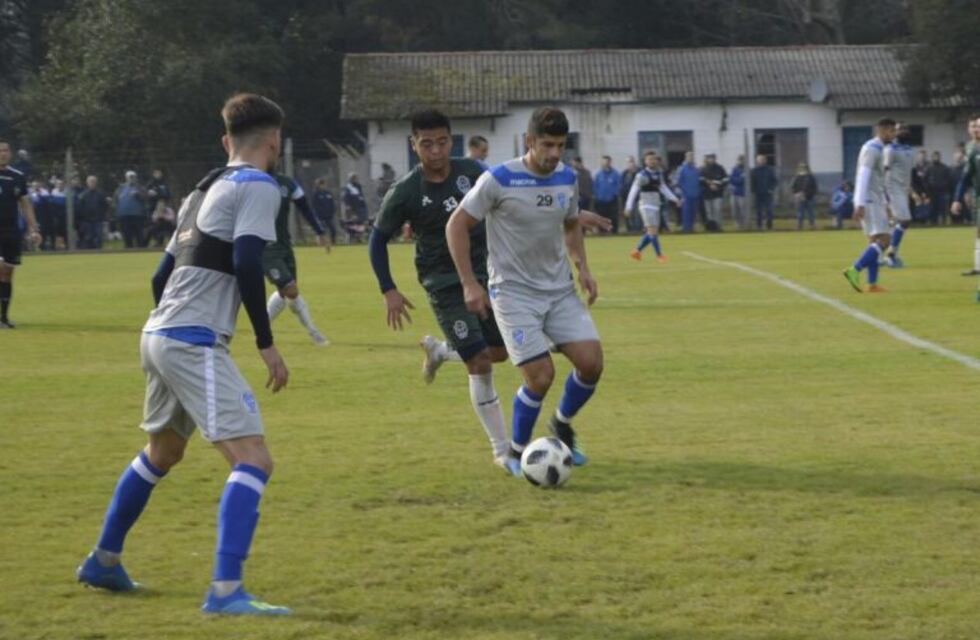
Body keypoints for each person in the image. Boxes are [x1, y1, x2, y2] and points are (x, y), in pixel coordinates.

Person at [75, 93, 292, 615]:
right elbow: (245, 261)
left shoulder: (204, 189)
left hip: (158, 333)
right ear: (274, 142)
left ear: (226, 141)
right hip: (189, 339)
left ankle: (103, 561)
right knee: (254, 460)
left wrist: (175, 332)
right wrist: (266, 344)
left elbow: (160, 275)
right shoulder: (261, 185)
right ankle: (225, 592)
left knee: (163, 454)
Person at [446, 106, 603, 468]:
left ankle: (561, 426)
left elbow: (570, 224)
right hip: (513, 293)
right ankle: (517, 452)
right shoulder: (500, 179)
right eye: (546, 144)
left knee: (591, 363)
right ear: (529, 141)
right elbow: (456, 225)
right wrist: (470, 283)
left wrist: (583, 269)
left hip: (559, 291)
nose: (553, 154)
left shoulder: (566, 177)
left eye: (560, 145)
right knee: (540, 376)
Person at [264, 173, 331, 346]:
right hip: (265, 248)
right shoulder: (252, 180)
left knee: (286, 293)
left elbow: (305, 208)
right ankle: (314, 332)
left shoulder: (288, 184)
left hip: (285, 246)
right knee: (291, 289)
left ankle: (262, 329)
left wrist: (320, 231)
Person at [843, 118, 896, 293]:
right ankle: (855, 269)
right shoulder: (873, 149)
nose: (894, 135)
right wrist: (859, 203)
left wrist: (886, 203)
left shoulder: (878, 148)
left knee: (874, 242)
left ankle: (872, 284)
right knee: (885, 240)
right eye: (892, 131)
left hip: (874, 200)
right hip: (870, 202)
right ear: (883, 130)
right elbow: (863, 175)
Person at [0, 139, 41, 328]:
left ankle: (4, 317)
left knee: (8, 273)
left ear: (10, 153)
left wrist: (33, 229)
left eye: (6, 150)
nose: (3, 153)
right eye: (0, 150)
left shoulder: (17, 176)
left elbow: (25, 205)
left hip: (10, 232)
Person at [626, 151, 680, 262]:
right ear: (645, 161)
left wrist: (674, 199)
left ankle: (637, 251)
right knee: (652, 231)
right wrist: (629, 206)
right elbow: (633, 190)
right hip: (645, 205)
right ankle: (659, 255)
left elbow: (663, 188)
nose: (652, 161)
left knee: (652, 232)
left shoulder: (658, 174)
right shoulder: (641, 175)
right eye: (649, 159)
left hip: (656, 204)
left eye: (654, 159)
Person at [883, 122, 917, 268]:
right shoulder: (890, 149)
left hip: (903, 190)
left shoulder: (910, 149)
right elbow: (884, 170)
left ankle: (882, 254)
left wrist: (913, 192)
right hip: (892, 188)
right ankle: (891, 254)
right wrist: (882, 191)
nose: (903, 131)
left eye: (905, 128)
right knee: (904, 220)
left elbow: (909, 173)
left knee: (895, 223)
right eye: (899, 129)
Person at [952, 114, 980, 281]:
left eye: (978, 126)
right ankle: (978, 267)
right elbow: (965, 177)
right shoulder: (971, 148)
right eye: (974, 126)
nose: (977, 129)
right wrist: (957, 198)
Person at [114, 170, 147, 248]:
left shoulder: (140, 187)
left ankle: (141, 250)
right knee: (126, 234)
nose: (131, 179)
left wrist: (138, 195)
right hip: (123, 215)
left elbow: (145, 197)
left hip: (137, 215)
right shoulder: (120, 188)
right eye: (130, 177)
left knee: (139, 234)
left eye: (133, 177)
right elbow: (115, 200)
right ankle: (128, 249)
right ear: (126, 178)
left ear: (136, 178)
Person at [77, 175, 110, 249]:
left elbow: (105, 206)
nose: (92, 183)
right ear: (87, 183)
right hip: (87, 221)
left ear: (96, 183)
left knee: (99, 238)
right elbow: (79, 208)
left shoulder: (101, 194)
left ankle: (99, 253)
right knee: (88, 238)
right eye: (90, 182)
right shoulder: (83, 195)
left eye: (94, 182)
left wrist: (104, 217)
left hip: (98, 220)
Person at [592, 155, 621, 233]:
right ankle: (602, 234)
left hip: (612, 201)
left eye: (607, 161)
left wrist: (614, 194)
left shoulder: (616, 174)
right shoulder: (598, 174)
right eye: (604, 161)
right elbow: (595, 186)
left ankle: (614, 234)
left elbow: (618, 186)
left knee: (613, 219)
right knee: (601, 219)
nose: (605, 163)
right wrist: (597, 196)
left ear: (610, 162)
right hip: (600, 201)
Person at [699, 154, 728, 231]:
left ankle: (718, 227)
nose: (711, 160)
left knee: (717, 211)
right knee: (709, 212)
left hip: (718, 194)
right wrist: (709, 185)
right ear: (707, 159)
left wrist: (717, 186)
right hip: (707, 195)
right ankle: (710, 228)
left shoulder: (720, 168)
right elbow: (701, 180)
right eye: (709, 158)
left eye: (712, 158)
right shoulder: (703, 169)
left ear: (715, 159)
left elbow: (725, 180)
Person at [925, 151, 953, 226]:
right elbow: (925, 181)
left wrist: (946, 189)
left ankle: (944, 224)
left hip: (942, 193)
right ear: (932, 157)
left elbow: (949, 180)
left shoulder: (945, 168)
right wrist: (927, 194)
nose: (936, 158)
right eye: (935, 156)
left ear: (940, 157)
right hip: (932, 193)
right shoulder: (929, 168)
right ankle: (932, 225)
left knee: (943, 210)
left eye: (937, 156)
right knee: (932, 210)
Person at [750, 155, 778, 230]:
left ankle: (769, 226)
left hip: (768, 194)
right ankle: (759, 226)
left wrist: (771, 189)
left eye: (763, 159)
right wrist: (753, 191)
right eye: (760, 160)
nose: (761, 161)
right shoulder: (754, 171)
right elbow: (752, 182)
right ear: (757, 161)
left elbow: (775, 181)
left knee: (769, 210)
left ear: (765, 161)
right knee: (759, 211)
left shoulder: (769, 170)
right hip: (758, 194)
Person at [676, 151, 701, 232]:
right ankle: (686, 229)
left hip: (695, 194)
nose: (691, 158)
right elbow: (678, 182)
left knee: (694, 213)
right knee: (686, 213)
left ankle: (692, 228)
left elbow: (698, 181)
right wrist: (682, 194)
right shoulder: (681, 169)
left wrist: (699, 192)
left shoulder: (696, 169)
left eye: (692, 156)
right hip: (686, 195)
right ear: (686, 158)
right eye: (689, 156)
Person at [311, 178, 338, 247]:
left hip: (329, 216)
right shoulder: (316, 194)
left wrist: (332, 212)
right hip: (320, 216)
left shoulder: (328, 193)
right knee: (321, 231)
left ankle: (333, 243)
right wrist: (319, 214)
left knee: (333, 230)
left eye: (324, 184)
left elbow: (332, 203)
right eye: (321, 184)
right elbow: (315, 206)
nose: (323, 186)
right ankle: (321, 244)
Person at [342, 172, 368, 241]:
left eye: (355, 178)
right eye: (353, 178)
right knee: (352, 224)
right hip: (353, 209)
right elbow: (346, 199)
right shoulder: (348, 187)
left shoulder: (358, 186)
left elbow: (361, 197)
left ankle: (359, 238)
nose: (355, 179)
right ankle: (350, 238)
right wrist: (349, 209)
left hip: (360, 208)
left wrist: (363, 206)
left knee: (360, 224)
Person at [791, 162, 817, 230]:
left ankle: (812, 225)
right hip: (799, 198)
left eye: (805, 167)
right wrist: (797, 194)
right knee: (800, 213)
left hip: (809, 198)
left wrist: (807, 195)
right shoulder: (796, 177)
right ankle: (799, 226)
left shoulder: (811, 177)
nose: (803, 169)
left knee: (811, 213)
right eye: (802, 167)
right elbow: (793, 187)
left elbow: (814, 188)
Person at [30, 178, 54, 250]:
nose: (36, 187)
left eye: (37, 186)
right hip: (33, 219)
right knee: (34, 236)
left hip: (43, 220)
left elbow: (48, 208)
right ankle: (35, 249)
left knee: (43, 235)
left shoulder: (45, 195)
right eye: (34, 186)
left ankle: (43, 249)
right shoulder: (30, 196)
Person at [619, 156, 640, 232]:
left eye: (631, 161)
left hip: (638, 199)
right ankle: (630, 231)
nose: (630, 164)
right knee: (628, 217)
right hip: (626, 199)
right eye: (628, 162)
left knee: (637, 217)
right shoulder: (624, 174)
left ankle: (637, 231)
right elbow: (622, 186)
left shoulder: (640, 173)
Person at [729, 155, 748, 230]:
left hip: (742, 194)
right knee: (735, 210)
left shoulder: (746, 170)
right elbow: (732, 180)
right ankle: (737, 224)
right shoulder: (734, 169)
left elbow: (744, 181)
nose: (740, 161)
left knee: (743, 210)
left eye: (742, 160)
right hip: (734, 193)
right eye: (739, 160)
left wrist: (737, 180)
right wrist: (740, 178)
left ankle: (744, 224)